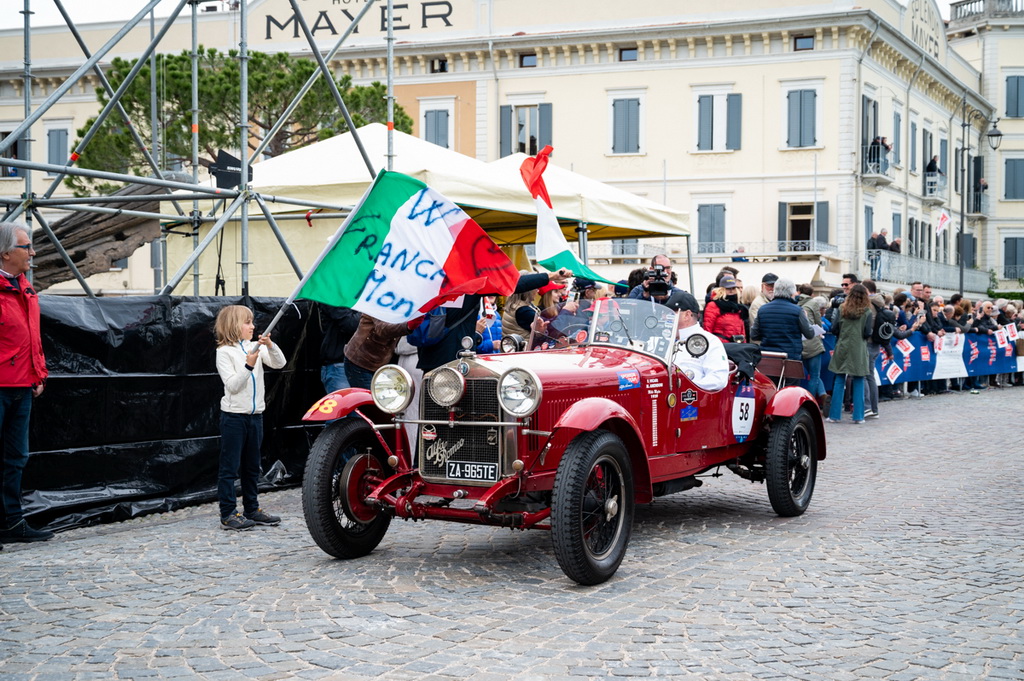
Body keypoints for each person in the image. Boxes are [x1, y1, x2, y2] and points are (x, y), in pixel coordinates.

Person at [0, 221, 53, 544]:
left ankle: (11, 522)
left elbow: (32, 339)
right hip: (3, 385)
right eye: (25, 247)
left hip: (22, 386)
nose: (32, 252)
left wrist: (39, 374)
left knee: (16, 458)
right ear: (5, 253)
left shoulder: (24, 288)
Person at [214, 305, 287, 531]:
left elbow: (280, 363)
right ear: (234, 325)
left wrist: (271, 346)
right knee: (230, 467)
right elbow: (233, 386)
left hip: (256, 416)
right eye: (247, 322)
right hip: (234, 418)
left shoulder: (254, 346)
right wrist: (249, 365)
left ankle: (252, 509)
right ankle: (227, 513)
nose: (253, 326)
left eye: (252, 322)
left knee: (252, 466)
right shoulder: (224, 353)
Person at [419, 269, 572, 372]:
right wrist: (549, 277)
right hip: (456, 360)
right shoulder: (469, 284)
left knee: (433, 412)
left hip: (432, 359)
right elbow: (510, 284)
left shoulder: (426, 285)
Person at [826, 283, 873, 424]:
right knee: (858, 379)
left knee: (839, 379)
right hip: (858, 347)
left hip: (843, 345)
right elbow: (867, 332)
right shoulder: (867, 312)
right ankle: (859, 416)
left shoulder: (842, 308)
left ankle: (834, 415)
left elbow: (834, 328)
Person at [669, 291, 730, 392]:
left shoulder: (710, 342)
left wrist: (686, 387)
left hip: (692, 402)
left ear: (687, 315)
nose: (666, 317)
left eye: (672, 313)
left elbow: (718, 379)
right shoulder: (663, 340)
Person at [749, 277, 813, 362]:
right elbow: (809, 334)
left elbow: (754, 335)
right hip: (790, 357)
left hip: (767, 357)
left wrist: (768, 336)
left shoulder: (763, 309)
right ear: (792, 292)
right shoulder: (798, 310)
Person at [344, 313, 412, 389]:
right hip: (360, 363)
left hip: (379, 363)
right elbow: (383, 329)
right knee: (368, 398)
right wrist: (408, 326)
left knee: (378, 398)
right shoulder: (377, 305)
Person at [317, 304, 360, 394]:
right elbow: (351, 324)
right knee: (345, 406)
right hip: (340, 365)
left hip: (362, 365)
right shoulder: (332, 296)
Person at [702, 275, 748, 343]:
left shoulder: (738, 307)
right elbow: (707, 329)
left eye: (733, 288)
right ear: (721, 289)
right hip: (720, 345)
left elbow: (742, 330)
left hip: (737, 345)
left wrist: (744, 344)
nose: (731, 290)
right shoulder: (713, 305)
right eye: (728, 288)